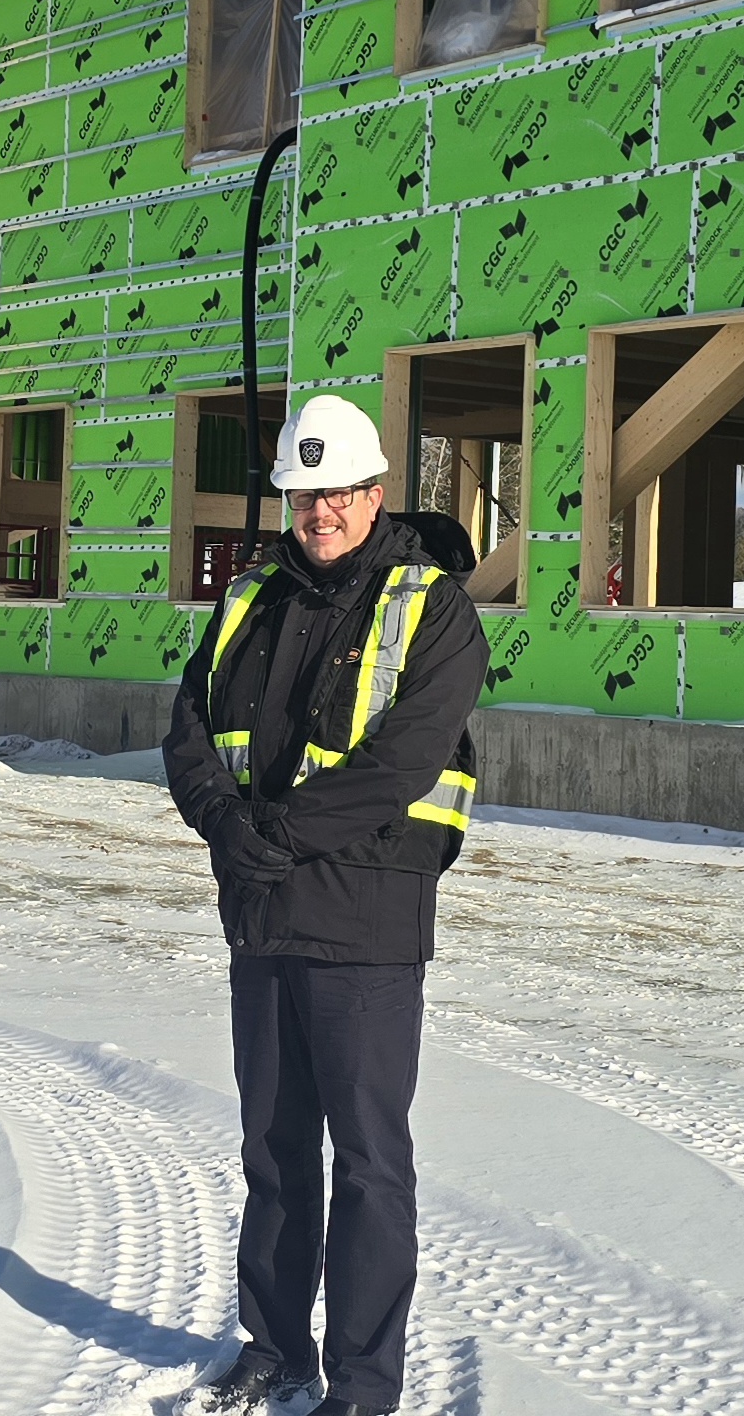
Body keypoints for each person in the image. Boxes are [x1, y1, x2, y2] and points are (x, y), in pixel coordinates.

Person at [164, 394, 489, 1416]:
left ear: (376, 492)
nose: (320, 511)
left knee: (368, 1163)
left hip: (364, 924)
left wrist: (280, 833)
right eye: (304, 494)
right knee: (270, 1151)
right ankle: (274, 1345)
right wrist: (224, 821)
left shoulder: (431, 606)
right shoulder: (250, 595)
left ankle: (362, 1380)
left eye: (339, 491)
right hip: (261, 915)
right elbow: (186, 724)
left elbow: (406, 757)